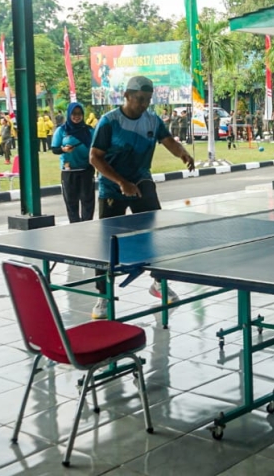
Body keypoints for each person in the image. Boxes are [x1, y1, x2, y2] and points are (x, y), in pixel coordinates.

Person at [89, 76, 194, 319]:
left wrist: (182, 153)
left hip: (142, 184)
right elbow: (94, 157)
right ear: (126, 96)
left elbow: (167, 140)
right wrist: (121, 182)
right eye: (139, 99)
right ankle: (103, 296)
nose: (144, 104)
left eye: (148, 99)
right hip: (112, 189)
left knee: (153, 237)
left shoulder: (152, 120)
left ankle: (158, 283)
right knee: (108, 246)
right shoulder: (109, 122)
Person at [52, 102, 95, 223]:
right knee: (71, 201)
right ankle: (75, 225)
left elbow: (97, 147)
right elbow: (54, 149)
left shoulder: (89, 130)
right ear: (69, 114)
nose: (77, 116)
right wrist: (63, 149)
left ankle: (87, 224)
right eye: (74, 114)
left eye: (79, 114)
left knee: (88, 201)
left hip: (86, 170)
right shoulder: (62, 130)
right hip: (69, 171)